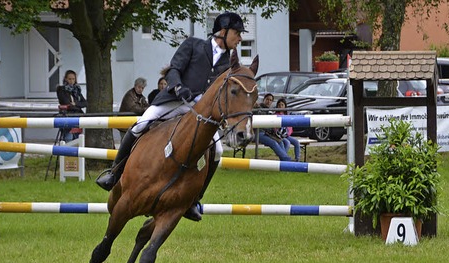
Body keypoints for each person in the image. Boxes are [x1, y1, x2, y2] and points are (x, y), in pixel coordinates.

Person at [95, 12, 247, 222]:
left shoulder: (228, 62)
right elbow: (173, 69)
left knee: (218, 151)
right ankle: (114, 173)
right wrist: (178, 86)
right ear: (223, 32)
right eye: (237, 33)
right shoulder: (193, 45)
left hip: (197, 111)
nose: (239, 38)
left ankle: (194, 200)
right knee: (141, 124)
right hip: (173, 100)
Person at [256, 93, 292, 161]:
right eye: (267, 99)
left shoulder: (270, 111)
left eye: (270, 100)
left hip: (268, 133)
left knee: (281, 141)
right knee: (274, 143)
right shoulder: (259, 108)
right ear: (264, 100)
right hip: (259, 133)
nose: (268, 101)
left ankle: (284, 160)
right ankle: (286, 160)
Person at [57, 70, 87, 141]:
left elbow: (85, 103)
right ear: (66, 79)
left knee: (78, 139)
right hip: (67, 116)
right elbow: (66, 103)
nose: (71, 81)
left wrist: (75, 103)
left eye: (73, 79)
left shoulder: (77, 90)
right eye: (69, 79)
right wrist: (78, 105)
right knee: (68, 138)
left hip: (78, 117)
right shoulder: (61, 89)